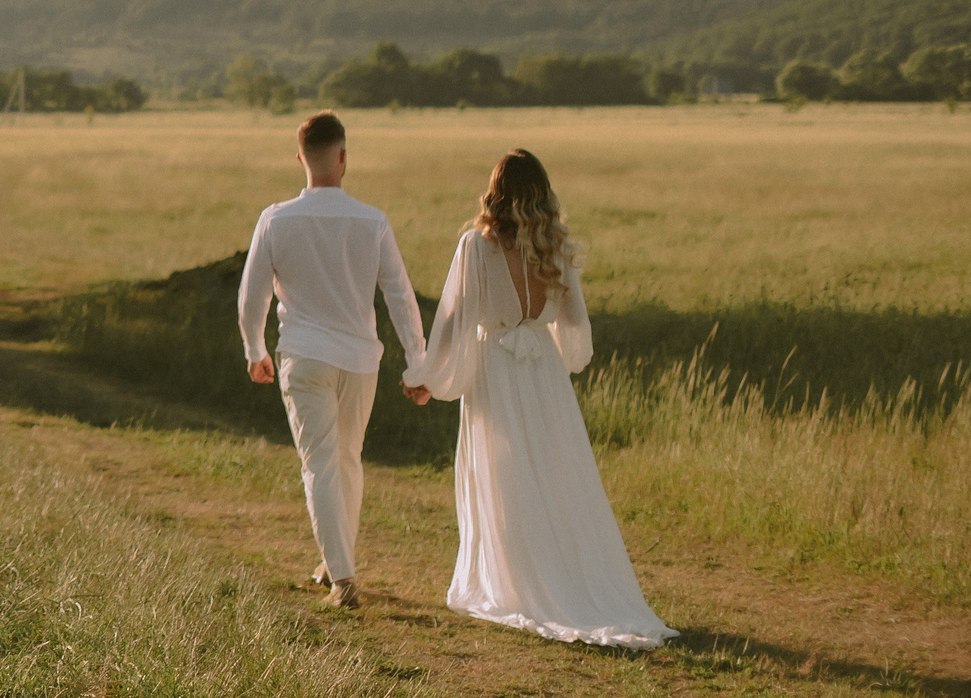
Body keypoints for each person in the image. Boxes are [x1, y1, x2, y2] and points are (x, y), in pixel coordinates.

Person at [408, 149, 675, 648]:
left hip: (496, 370)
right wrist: (550, 350)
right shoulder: (557, 247)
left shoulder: (476, 246)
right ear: (542, 193)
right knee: (553, 474)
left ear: (495, 191)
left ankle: (518, 584)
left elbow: (453, 322)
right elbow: (575, 333)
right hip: (545, 374)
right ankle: (562, 576)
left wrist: (425, 376)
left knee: (503, 475)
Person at [239, 110, 431, 610]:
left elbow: (252, 297)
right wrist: (417, 364)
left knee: (321, 464)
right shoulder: (372, 221)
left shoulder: (275, 219)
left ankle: (341, 577)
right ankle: (336, 562)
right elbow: (400, 297)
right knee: (347, 460)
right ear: (342, 157)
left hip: (305, 357)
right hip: (360, 361)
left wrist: (255, 350)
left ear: (300, 158)